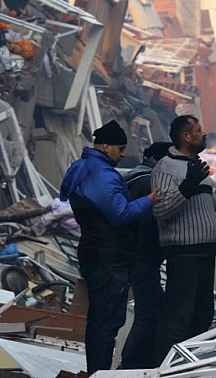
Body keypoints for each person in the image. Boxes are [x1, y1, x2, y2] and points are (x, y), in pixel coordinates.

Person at [59, 120, 163, 374]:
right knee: (106, 322)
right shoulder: (102, 174)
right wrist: (148, 201)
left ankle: (98, 370)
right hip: (109, 258)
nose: (123, 153)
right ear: (106, 147)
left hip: (95, 253)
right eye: (120, 148)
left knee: (100, 320)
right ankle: (99, 372)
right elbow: (120, 214)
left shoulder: (82, 167)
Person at [151, 115, 216, 364]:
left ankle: (188, 367)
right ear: (186, 137)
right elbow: (160, 211)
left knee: (201, 316)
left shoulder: (196, 166)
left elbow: (208, 204)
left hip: (205, 253)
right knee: (178, 318)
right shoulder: (166, 167)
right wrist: (187, 186)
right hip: (184, 254)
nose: (204, 134)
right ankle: (160, 368)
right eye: (199, 130)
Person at [119, 142, 172, 369]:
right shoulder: (148, 183)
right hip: (143, 257)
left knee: (152, 310)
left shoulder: (131, 178)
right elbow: (149, 223)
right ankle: (130, 364)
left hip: (133, 256)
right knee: (147, 314)